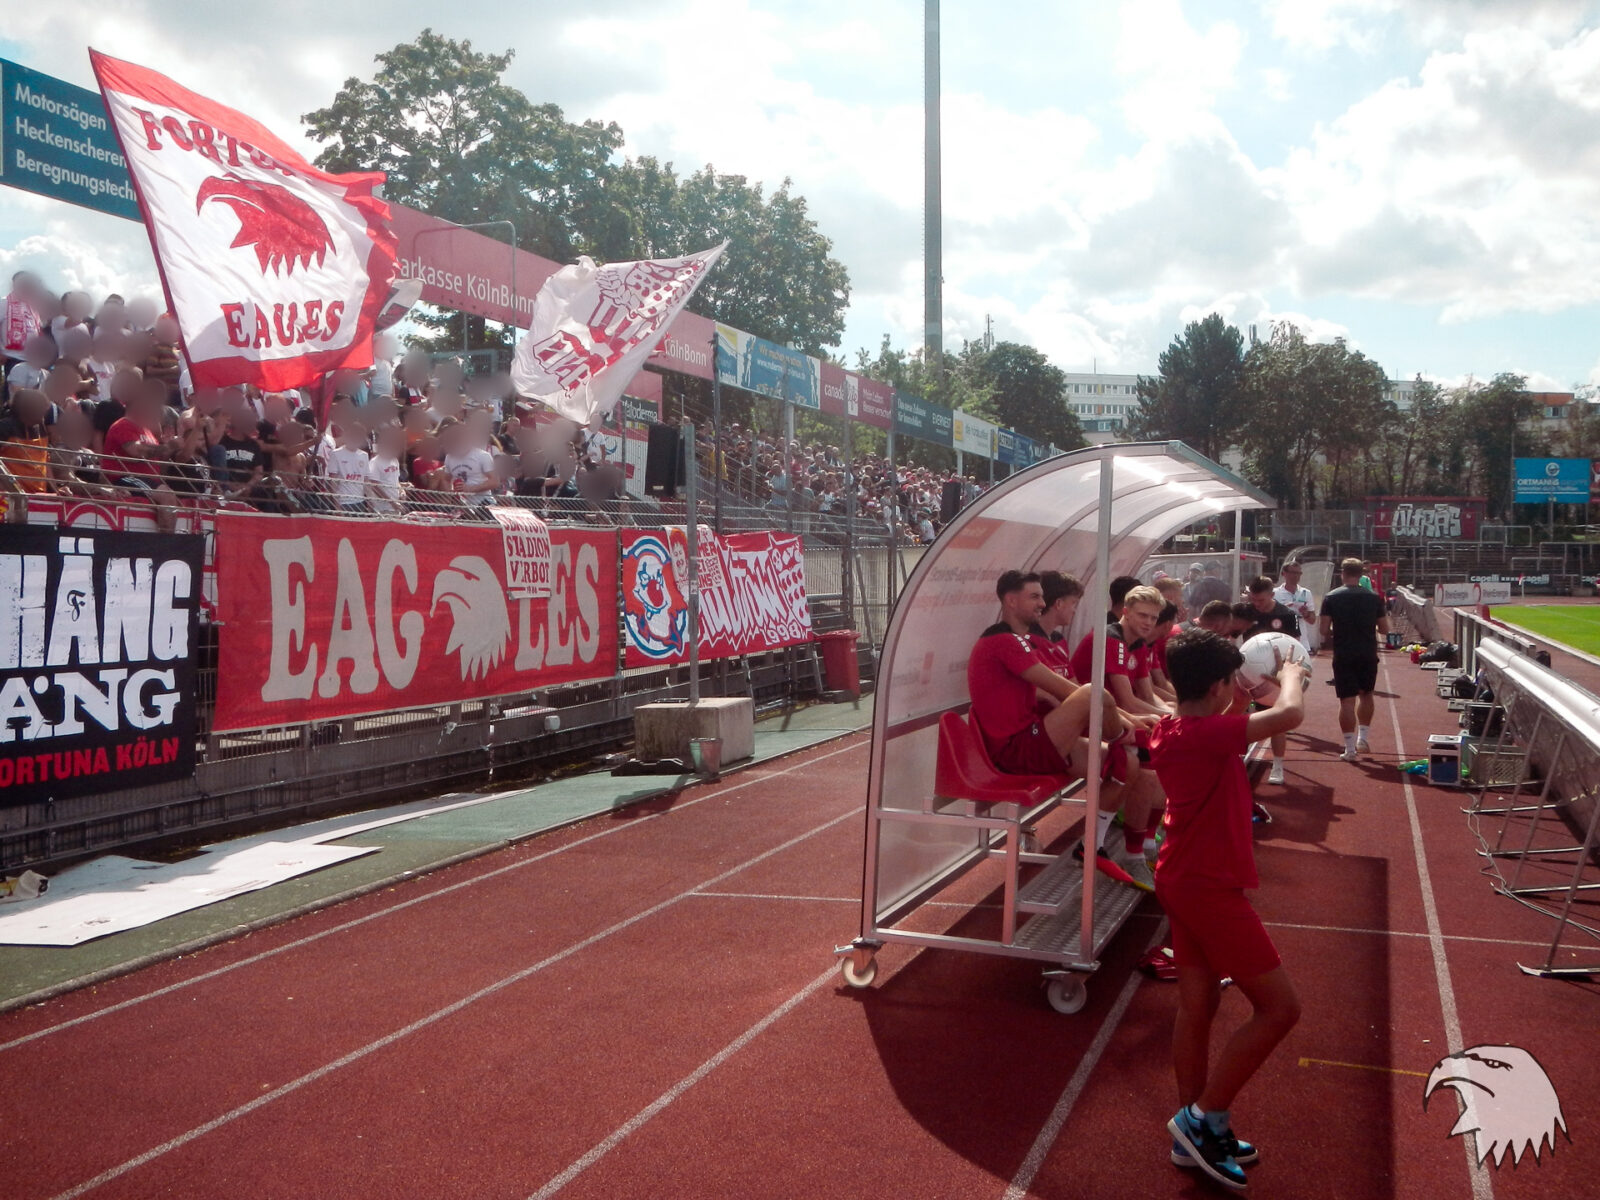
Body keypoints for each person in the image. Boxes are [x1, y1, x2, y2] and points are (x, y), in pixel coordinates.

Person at [1152, 629, 1306, 1191]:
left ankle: (1196, 1131)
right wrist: (1292, 671)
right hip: (1207, 887)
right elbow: (1287, 715)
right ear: (1218, 685)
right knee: (1281, 1010)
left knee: (1198, 1004)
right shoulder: (1207, 735)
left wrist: (1239, 687)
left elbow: (1228, 714)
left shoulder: (1176, 727)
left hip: (1184, 878)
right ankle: (1201, 1116)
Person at [967, 570, 1154, 890]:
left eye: (1043, 596)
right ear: (1011, 601)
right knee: (1093, 694)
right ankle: (1130, 738)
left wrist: (1125, 718)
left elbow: (1049, 693)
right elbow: (1068, 692)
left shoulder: (1021, 641)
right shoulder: (1002, 640)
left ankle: (1100, 848)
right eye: (1034, 597)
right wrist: (1126, 723)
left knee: (1129, 764)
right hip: (1015, 749)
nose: (1043, 603)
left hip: (1036, 738)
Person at [1319, 557, 1391, 762]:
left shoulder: (1331, 597)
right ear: (1362, 575)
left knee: (1346, 700)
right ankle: (1363, 739)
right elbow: (1385, 629)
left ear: (1342, 573)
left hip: (1344, 653)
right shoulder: (1374, 598)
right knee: (1366, 695)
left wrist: (1339, 630)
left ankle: (1349, 749)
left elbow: (1323, 630)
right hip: (1368, 652)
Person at [1274, 562, 1318, 656]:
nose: (1296, 576)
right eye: (1293, 572)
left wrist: (1305, 613)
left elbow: (1312, 620)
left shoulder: (1306, 593)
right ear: (1284, 573)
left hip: (1302, 642)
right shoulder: (1275, 593)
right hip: (1281, 640)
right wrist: (1284, 610)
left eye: (1299, 573)